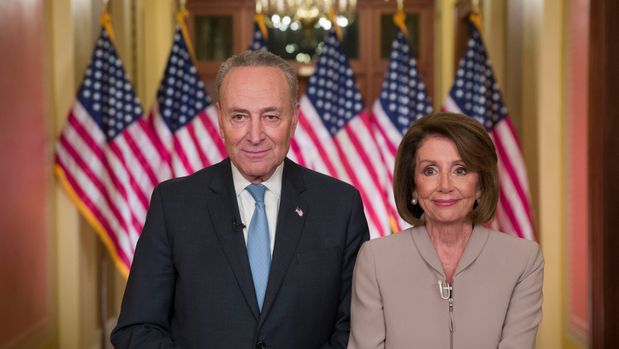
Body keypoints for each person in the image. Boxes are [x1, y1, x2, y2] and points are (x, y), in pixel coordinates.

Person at [111, 50, 370, 348]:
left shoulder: (340, 206)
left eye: (271, 116)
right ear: (220, 120)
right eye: (239, 117)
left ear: (295, 118)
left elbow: (354, 328)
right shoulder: (173, 205)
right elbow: (136, 329)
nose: (255, 135)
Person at [347, 112, 544, 349]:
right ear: (413, 187)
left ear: (480, 185)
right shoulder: (375, 260)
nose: (445, 186)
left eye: (460, 170)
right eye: (430, 170)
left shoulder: (523, 259)